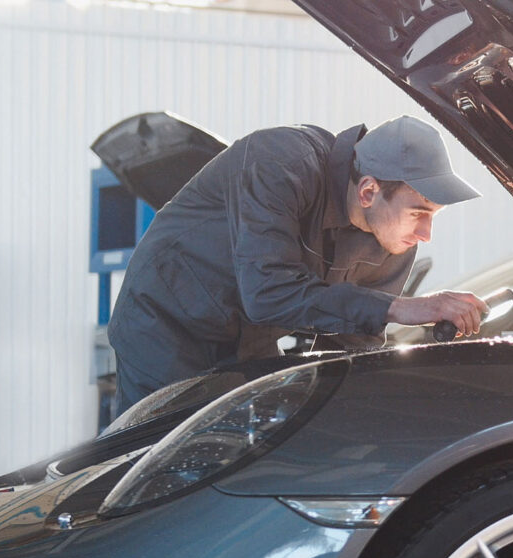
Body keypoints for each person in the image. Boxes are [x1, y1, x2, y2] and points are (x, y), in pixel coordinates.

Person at [107, 115, 487, 412]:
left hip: (250, 335)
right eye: (419, 212)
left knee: (248, 455)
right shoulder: (280, 161)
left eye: (433, 215)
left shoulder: (392, 235)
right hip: (165, 323)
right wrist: (402, 308)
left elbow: (353, 341)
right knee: (156, 463)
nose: (425, 233)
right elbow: (269, 292)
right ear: (369, 191)